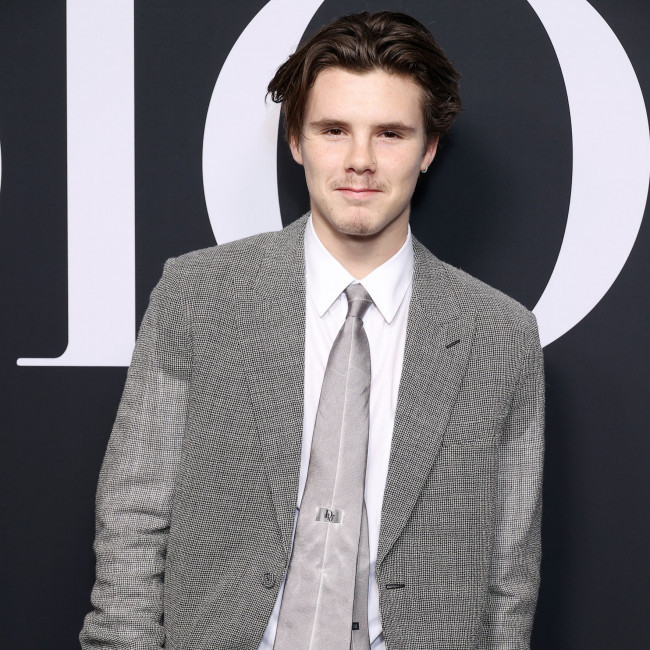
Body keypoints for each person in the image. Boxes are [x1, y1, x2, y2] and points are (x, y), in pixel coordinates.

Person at [80, 11, 544, 650]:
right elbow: (133, 519)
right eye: (334, 130)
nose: (361, 161)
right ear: (296, 140)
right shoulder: (199, 294)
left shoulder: (499, 332)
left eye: (390, 133)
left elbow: (508, 572)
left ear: (428, 149)